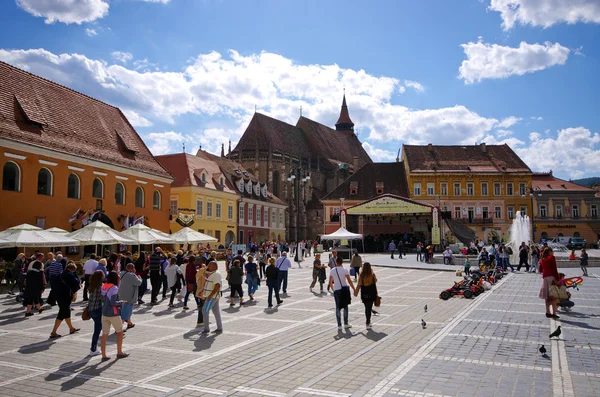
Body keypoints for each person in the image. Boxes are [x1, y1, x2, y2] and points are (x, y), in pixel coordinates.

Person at [100, 271, 128, 359]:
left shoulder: (104, 286)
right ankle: (119, 352)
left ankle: (104, 355)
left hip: (104, 312)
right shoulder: (114, 288)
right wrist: (121, 302)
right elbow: (113, 302)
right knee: (120, 332)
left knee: (104, 334)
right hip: (113, 313)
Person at [49, 262, 80, 338]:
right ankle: (53, 332)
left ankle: (71, 328)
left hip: (59, 296)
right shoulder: (70, 275)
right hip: (66, 296)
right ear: (72, 269)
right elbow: (76, 285)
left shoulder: (60, 274)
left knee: (66, 312)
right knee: (62, 313)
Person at [329, 256, 356, 330]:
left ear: (336, 262)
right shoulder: (345, 270)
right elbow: (349, 281)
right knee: (345, 306)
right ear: (342, 262)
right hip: (344, 290)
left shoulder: (332, 270)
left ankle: (339, 325)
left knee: (337, 308)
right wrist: (354, 289)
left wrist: (333, 289)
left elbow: (330, 282)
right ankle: (346, 323)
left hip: (336, 290)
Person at [353, 262, 377, 330]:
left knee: (367, 308)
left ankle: (368, 322)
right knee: (369, 308)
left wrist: (355, 293)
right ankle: (368, 322)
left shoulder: (361, 276)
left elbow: (359, 285)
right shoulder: (372, 275)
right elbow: (376, 281)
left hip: (364, 294)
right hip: (372, 294)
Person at [86, 270, 105, 356]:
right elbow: (102, 299)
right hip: (98, 309)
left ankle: (94, 348)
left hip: (91, 310)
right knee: (97, 331)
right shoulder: (101, 287)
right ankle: (93, 349)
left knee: (96, 329)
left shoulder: (92, 285)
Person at [202, 261, 223, 334]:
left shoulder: (216, 274)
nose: (208, 266)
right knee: (216, 312)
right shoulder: (214, 273)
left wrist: (210, 295)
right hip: (214, 296)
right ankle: (219, 328)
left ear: (214, 266)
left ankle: (206, 329)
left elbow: (217, 285)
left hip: (212, 297)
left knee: (205, 311)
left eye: (209, 265)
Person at [118, 264, 142, 329]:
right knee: (126, 311)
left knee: (124, 310)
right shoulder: (132, 275)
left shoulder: (121, 273)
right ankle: (119, 328)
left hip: (121, 295)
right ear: (132, 269)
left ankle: (129, 323)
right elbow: (138, 283)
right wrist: (139, 277)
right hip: (129, 296)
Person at [538, 247, 560, 319]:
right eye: (552, 251)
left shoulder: (542, 259)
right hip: (551, 277)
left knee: (546, 295)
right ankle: (554, 313)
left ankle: (547, 311)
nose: (553, 253)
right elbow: (554, 269)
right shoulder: (552, 258)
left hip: (545, 277)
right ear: (549, 252)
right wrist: (557, 279)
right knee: (553, 295)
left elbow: (540, 269)